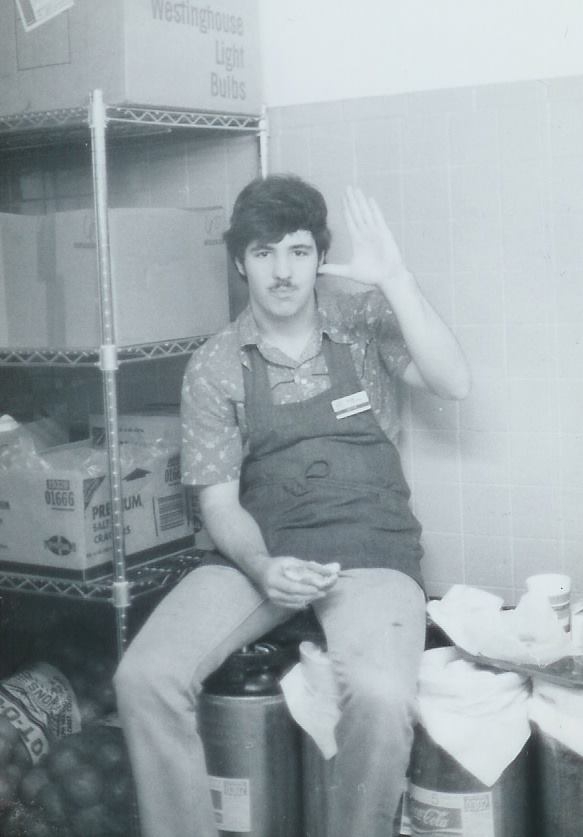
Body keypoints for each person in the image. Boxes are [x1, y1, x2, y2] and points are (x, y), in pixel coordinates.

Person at [114, 175, 471, 837]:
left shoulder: (360, 322)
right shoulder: (215, 365)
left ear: (320, 257)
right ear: (239, 262)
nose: (282, 271)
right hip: (262, 549)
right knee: (145, 675)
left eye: (299, 251)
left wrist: (395, 279)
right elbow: (220, 503)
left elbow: (453, 382)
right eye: (264, 252)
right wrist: (260, 565)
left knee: (381, 695)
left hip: (371, 549)